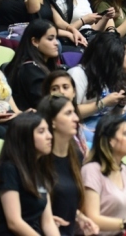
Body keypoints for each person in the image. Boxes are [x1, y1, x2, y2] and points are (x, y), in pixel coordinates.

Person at [68, 32, 126, 146]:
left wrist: (119, 105)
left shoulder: (108, 75)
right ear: (109, 57)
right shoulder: (78, 74)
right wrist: (103, 103)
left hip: (108, 123)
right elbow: (70, 112)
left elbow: (113, 115)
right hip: (86, 125)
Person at [0, 113, 60, 236]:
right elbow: (14, 222)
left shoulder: (40, 170)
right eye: (41, 131)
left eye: (48, 130)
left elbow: (48, 223)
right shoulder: (8, 169)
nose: (50, 136)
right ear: (25, 137)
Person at [37, 95, 99, 236]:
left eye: (74, 113)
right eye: (68, 113)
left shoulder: (76, 155)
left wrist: (79, 216)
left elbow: (66, 202)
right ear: (52, 121)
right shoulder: (39, 159)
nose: (76, 118)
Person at [5, 19, 59, 111]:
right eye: (50, 39)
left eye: (56, 38)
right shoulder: (30, 70)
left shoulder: (39, 66)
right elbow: (46, 106)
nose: (56, 43)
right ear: (35, 41)